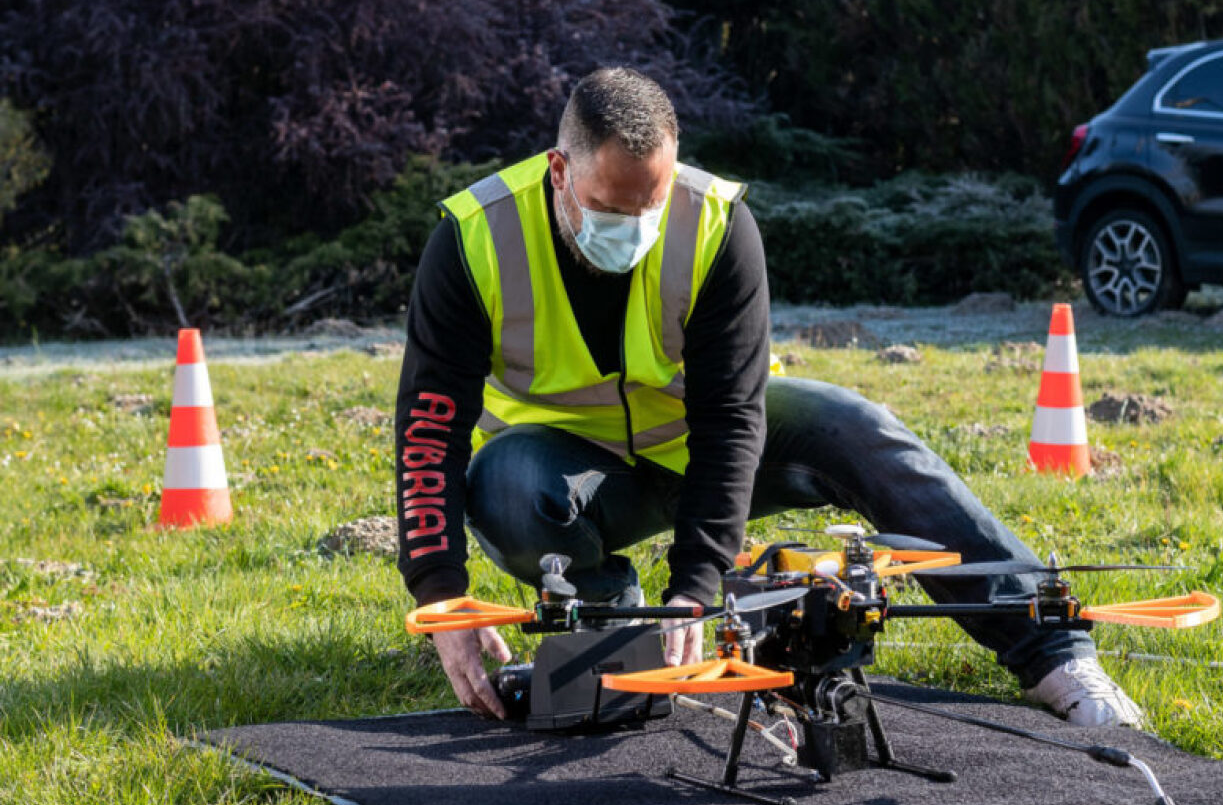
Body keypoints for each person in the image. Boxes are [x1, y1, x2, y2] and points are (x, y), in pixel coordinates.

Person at [395, 66, 1143, 731]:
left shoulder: (717, 224)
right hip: (572, 472)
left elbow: (730, 423)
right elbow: (430, 432)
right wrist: (441, 596)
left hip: (709, 444)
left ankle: (1054, 653)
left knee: (855, 427)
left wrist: (696, 582)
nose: (634, 231)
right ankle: (622, 631)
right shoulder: (474, 238)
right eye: (609, 210)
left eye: (650, 206)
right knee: (502, 484)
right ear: (559, 171)